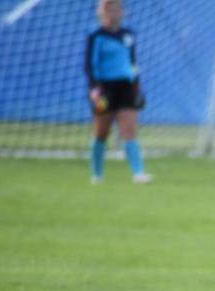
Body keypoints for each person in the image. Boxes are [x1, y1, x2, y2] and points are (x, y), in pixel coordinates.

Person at [85, 0, 152, 185]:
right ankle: (97, 175)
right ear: (102, 12)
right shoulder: (96, 36)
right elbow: (90, 66)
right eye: (110, 8)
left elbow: (132, 63)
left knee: (129, 130)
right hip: (103, 88)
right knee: (101, 132)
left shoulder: (128, 35)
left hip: (126, 87)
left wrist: (137, 86)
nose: (115, 12)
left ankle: (139, 173)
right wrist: (95, 90)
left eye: (118, 8)